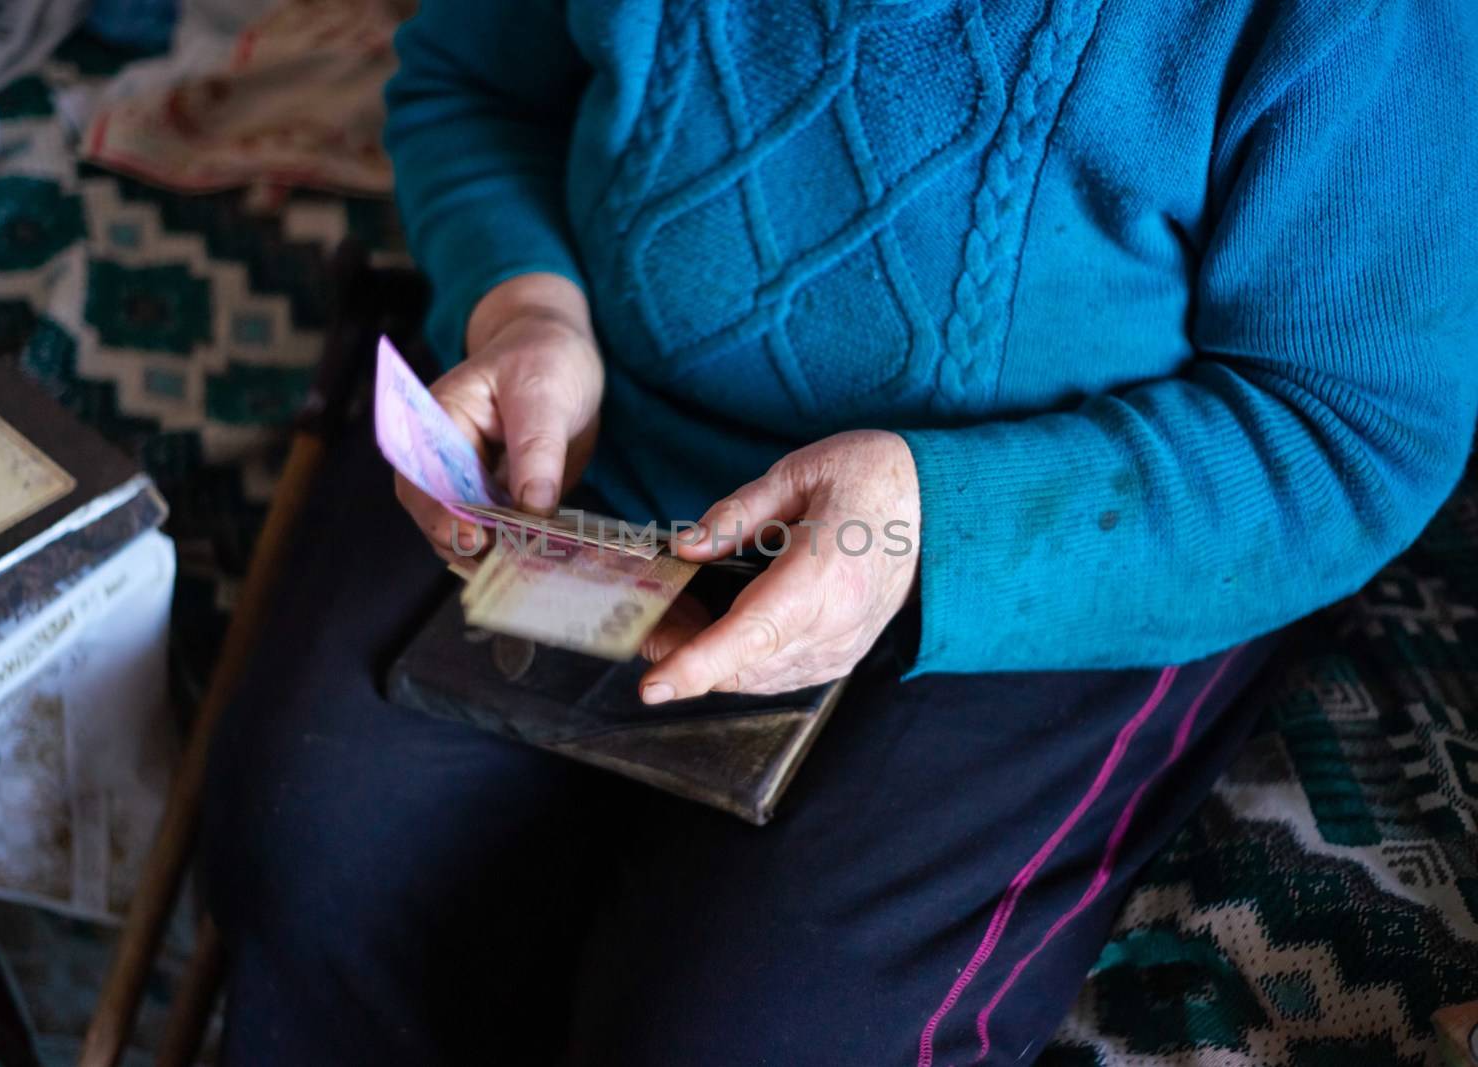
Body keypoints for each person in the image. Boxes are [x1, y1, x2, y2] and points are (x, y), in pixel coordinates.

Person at [203, 1, 1477, 1063]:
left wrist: (930, 529)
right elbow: (473, 83)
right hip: (601, 436)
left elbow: (1350, 424)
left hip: (1049, 545)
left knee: (754, 1027)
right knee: (310, 837)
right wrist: (523, 308)